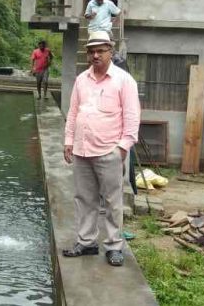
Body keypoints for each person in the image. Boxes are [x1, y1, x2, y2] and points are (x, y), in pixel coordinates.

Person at [62, 30, 140, 267]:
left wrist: (123, 147)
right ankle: (86, 242)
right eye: (91, 51)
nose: (95, 55)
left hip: (109, 151)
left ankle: (114, 246)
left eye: (100, 51)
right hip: (82, 150)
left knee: (112, 201)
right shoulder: (81, 80)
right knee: (84, 198)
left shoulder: (124, 81)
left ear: (110, 51)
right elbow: (73, 112)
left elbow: (132, 116)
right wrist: (68, 141)